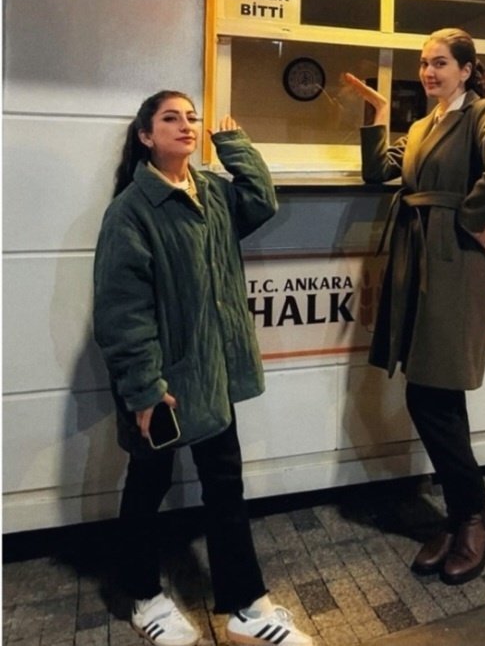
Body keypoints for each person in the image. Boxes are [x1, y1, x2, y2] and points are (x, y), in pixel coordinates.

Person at [93, 91, 312, 646]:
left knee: (225, 485)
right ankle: (142, 595)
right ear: (146, 136)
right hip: (161, 383)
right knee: (148, 485)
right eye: (171, 118)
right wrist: (144, 389)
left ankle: (245, 604)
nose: (187, 125)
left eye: (192, 117)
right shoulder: (131, 211)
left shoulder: (212, 191)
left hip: (210, 373)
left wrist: (234, 145)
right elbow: (122, 311)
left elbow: (261, 201)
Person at [344, 28, 485, 586]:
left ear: (467, 70)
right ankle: (463, 514)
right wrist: (378, 113)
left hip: (452, 264)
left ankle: (474, 516)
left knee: (430, 395)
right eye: (424, 63)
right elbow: (379, 171)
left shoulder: (481, 113)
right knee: (437, 393)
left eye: (441, 63)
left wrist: (469, 218)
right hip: (417, 262)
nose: (429, 72)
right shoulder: (423, 125)